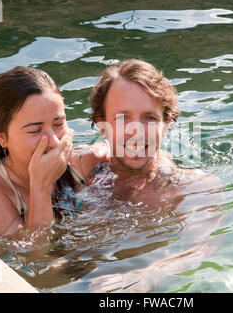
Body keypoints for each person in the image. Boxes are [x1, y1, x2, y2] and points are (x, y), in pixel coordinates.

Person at [81, 59, 225, 292]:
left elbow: (202, 249)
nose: (136, 131)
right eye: (122, 117)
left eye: (149, 118)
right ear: (102, 124)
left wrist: (149, 276)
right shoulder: (82, 177)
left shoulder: (196, 187)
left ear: (166, 124)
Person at [0, 66, 107, 236]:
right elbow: (34, 254)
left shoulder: (79, 163)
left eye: (59, 124)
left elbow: (121, 149)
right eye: (34, 131)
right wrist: (41, 186)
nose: (53, 141)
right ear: (1, 136)